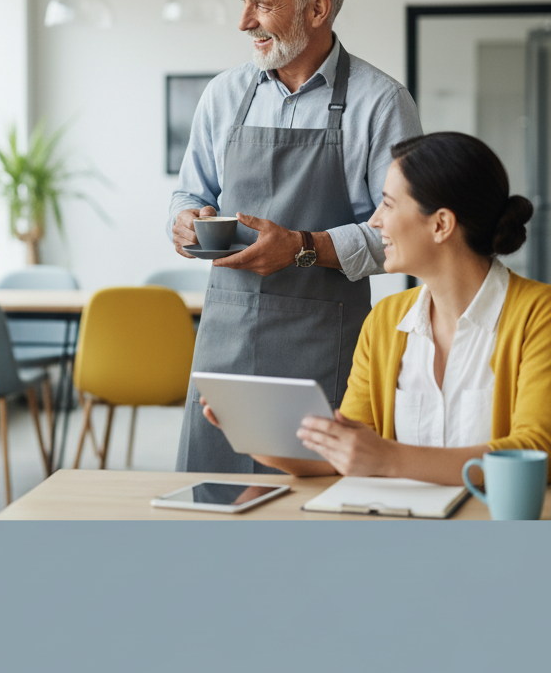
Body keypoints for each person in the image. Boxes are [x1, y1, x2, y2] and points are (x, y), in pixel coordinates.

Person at [170, 0, 423, 474]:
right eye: (244, 2)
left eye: (261, 6)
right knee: (211, 496)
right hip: (225, 340)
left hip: (323, 347)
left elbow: (401, 233)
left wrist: (303, 247)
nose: (243, 22)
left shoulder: (381, 104)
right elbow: (192, 190)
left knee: (316, 506)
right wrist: (185, 218)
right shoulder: (223, 95)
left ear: (317, 9)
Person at [199, 132, 551, 484]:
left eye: (388, 203)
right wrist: (262, 439)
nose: (375, 220)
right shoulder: (386, 320)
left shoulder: (540, 315)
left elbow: (538, 452)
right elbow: (351, 454)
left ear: (441, 224)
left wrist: (389, 459)